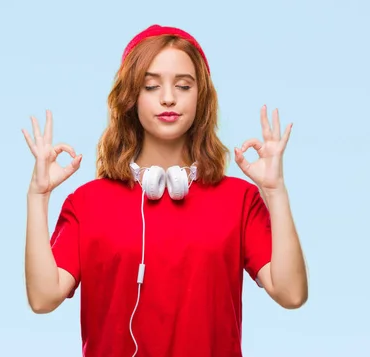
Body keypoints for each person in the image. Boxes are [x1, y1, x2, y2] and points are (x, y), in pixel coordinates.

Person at [22, 24, 308, 357]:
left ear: (201, 97)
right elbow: (43, 299)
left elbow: (291, 294)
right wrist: (37, 197)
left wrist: (275, 191)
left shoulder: (239, 199)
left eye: (183, 85)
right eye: (151, 86)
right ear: (131, 97)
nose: (168, 97)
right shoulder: (88, 203)